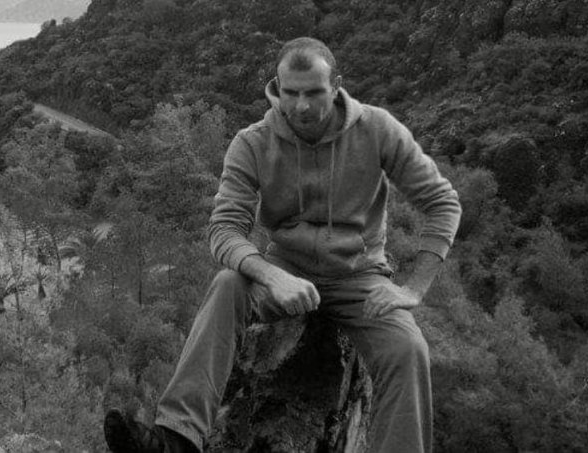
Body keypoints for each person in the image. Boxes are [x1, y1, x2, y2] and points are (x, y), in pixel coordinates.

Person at [104, 37, 462, 453]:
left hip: (359, 276)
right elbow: (224, 230)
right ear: (277, 87)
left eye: (314, 92)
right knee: (228, 284)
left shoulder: (377, 129)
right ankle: (177, 437)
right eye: (291, 93)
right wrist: (271, 275)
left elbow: (443, 203)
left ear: (336, 86)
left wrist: (414, 288)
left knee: (409, 349)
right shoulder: (253, 142)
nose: (302, 106)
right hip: (285, 267)